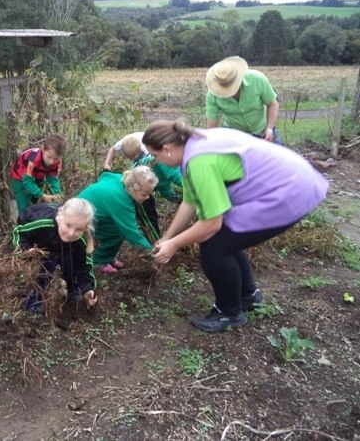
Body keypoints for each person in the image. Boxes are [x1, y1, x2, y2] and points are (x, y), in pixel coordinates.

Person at [142, 119, 329, 333]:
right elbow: (190, 201)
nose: (156, 161)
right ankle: (248, 296)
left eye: (155, 156)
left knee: (214, 245)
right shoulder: (194, 144)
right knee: (228, 236)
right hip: (294, 180)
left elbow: (211, 224)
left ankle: (228, 313)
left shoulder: (199, 162)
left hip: (289, 192)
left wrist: (174, 245)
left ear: (167, 149)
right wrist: (168, 236)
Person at [12, 198, 98, 314]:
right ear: (60, 217)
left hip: (60, 247)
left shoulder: (80, 239)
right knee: (46, 264)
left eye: (78, 229)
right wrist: (27, 250)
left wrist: (87, 288)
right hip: (38, 245)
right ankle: (32, 298)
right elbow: (19, 233)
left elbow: (84, 264)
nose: (71, 233)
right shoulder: (42, 222)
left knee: (70, 259)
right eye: (68, 225)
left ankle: (72, 289)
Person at [78, 166, 158, 275]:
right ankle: (100, 261)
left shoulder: (120, 178)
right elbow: (132, 233)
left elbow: (105, 176)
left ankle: (109, 256)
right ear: (132, 189)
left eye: (149, 194)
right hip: (81, 217)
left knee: (115, 227)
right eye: (144, 194)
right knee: (116, 234)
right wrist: (152, 252)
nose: (148, 198)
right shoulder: (122, 201)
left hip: (83, 207)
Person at [103, 131, 183, 239]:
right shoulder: (163, 161)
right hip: (136, 188)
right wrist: (196, 189)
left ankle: (156, 243)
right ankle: (154, 246)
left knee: (150, 213)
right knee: (148, 217)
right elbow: (180, 179)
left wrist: (178, 199)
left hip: (144, 185)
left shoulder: (163, 164)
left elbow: (165, 188)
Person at [205, 56, 282, 145]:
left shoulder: (257, 79)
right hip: (235, 135)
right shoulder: (212, 95)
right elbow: (211, 126)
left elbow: (272, 104)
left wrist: (269, 129)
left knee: (279, 156)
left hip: (262, 130)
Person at [10, 133, 67, 214]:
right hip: (20, 179)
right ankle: (23, 224)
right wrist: (42, 195)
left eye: (55, 159)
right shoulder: (32, 160)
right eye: (49, 157)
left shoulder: (56, 162)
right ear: (43, 149)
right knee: (24, 208)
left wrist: (57, 195)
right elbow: (27, 182)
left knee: (35, 204)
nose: (51, 162)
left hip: (37, 177)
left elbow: (53, 179)